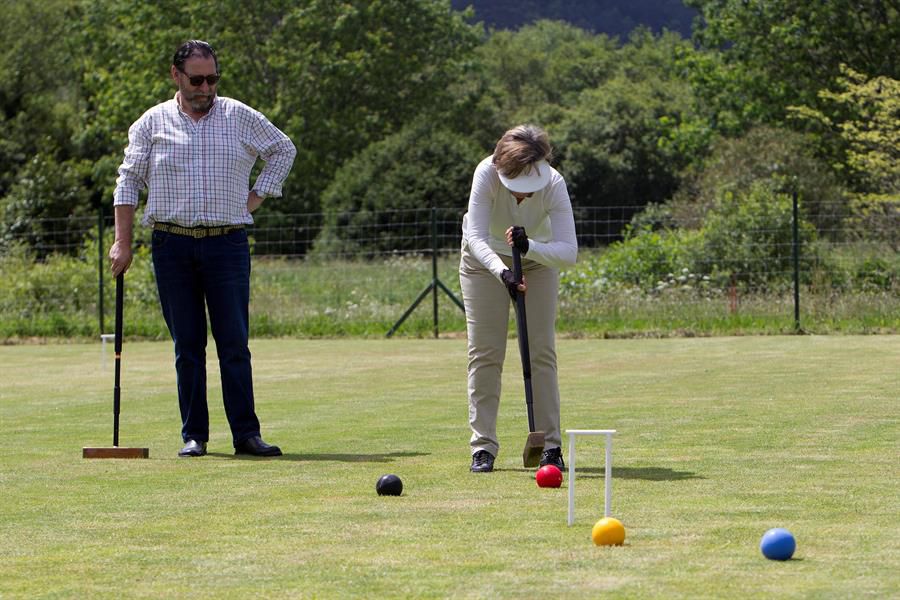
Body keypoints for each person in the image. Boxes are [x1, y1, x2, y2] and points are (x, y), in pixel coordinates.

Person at [108, 40, 296, 458]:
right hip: (171, 244)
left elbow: (284, 149)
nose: (205, 87)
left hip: (227, 244)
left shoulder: (239, 115)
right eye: (197, 79)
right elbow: (127, 182)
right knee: (187, 346)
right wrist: (122, 242)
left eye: (212, 78)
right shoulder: (151, 123)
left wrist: (256, 196)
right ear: (176, 75)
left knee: (234, 344)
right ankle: (194, 436)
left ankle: (246, 434)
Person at [460, 124, 578, 473]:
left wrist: (531, 248)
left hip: (538, 262)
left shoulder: (554, 183)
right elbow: (478, 236)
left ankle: (551, 446)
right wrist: (503, 273)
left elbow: (568, 252)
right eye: (516, 189)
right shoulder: (485, 173)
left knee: (541, 350)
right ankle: (483, 447)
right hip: (484, 263)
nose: (521, 198)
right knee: (485, 352)